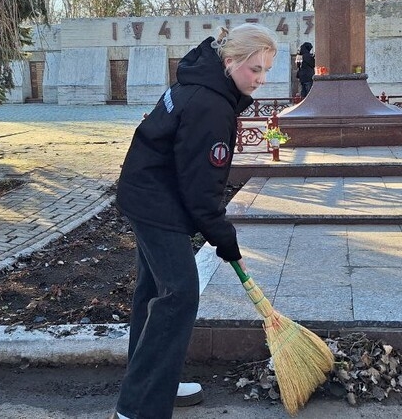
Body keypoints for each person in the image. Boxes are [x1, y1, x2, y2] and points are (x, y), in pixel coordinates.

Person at [112, 22, 278, 419]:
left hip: (148, 193)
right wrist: (224, 237)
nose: (261, 79)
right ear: (231, 60)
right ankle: (137, 408)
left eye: (266, 70)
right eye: (255, 69)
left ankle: (156, 383)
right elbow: (202, 189)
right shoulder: (211, 105)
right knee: (179, 294)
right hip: (157, 203)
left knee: (154, 291)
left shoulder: (201, 85)